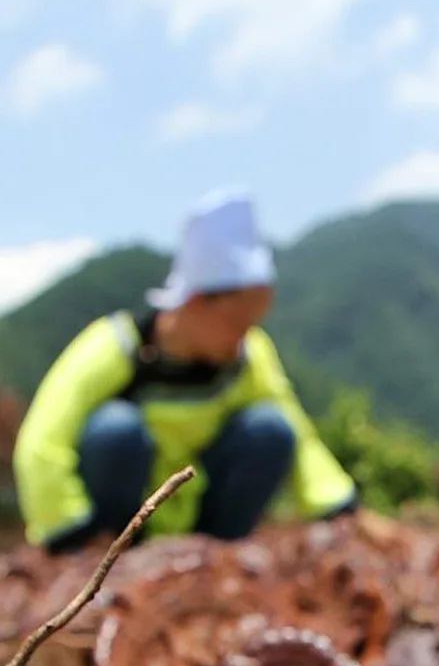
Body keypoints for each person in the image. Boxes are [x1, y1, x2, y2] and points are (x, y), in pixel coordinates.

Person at [13, 189, 356, 548]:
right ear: (195, 302)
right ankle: (103, 548)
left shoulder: (249, 354)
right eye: (235, 322)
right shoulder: (115, 347)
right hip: (118, 527)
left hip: (201, 515)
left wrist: (338, 505)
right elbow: (42, 441)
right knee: (116, 430)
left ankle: (221, 552)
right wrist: (67, 525)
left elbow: (297, 433)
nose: (244, 335)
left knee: (269, 428)